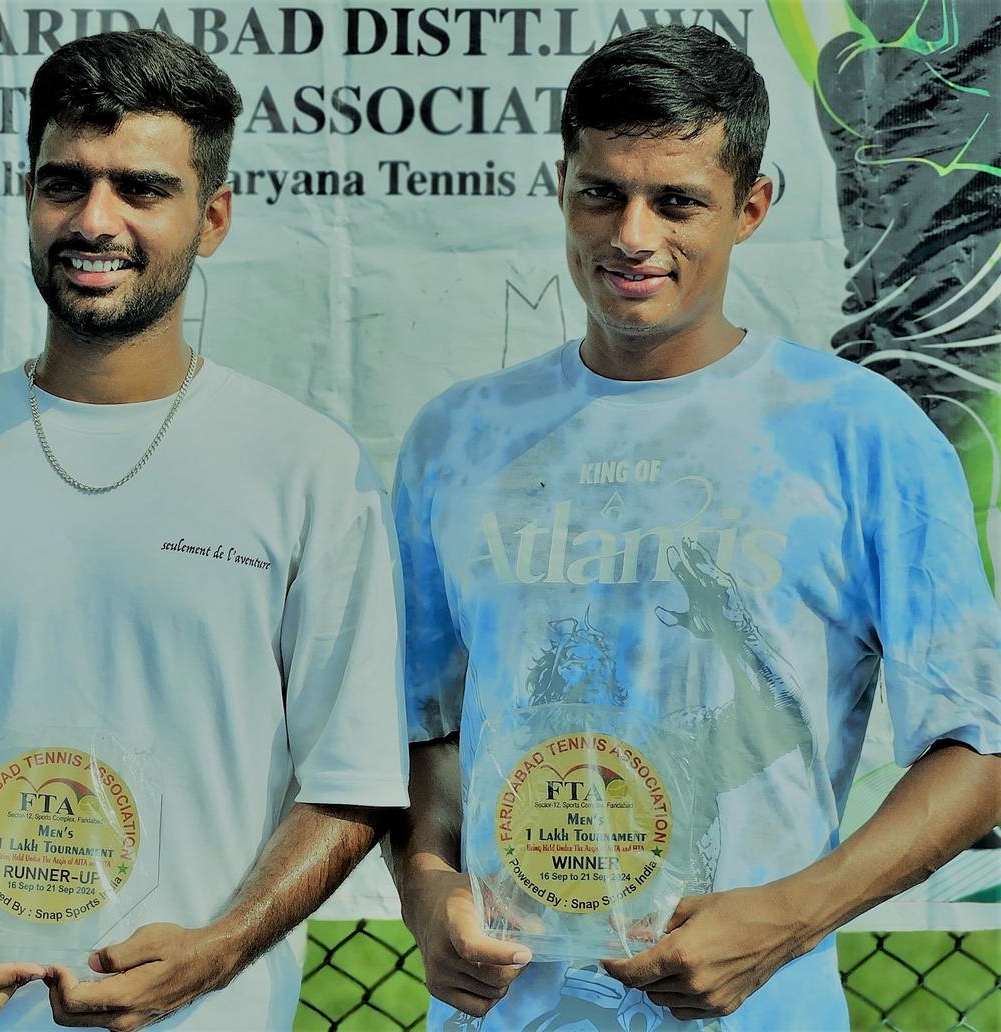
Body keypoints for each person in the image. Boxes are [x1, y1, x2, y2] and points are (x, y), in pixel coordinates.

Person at [388, 25, 1001, 1032]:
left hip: (757, 1010)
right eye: (603, 193)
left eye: (677, 202)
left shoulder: (857, 434)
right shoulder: (461, 437)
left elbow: (980, 746)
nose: (632, 236)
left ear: (751, 207)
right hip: (504, 1014)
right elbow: (428, 725)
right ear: (562, 188)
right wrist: (423, 886)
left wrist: (788, 918)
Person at [0, 29, 408, 1031]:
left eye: (141, 189)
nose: (95, 221)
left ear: (211, 218)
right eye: (64, 184)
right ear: (29, 197)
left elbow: (350, 779)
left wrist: (214, 957)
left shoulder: (308, 470)